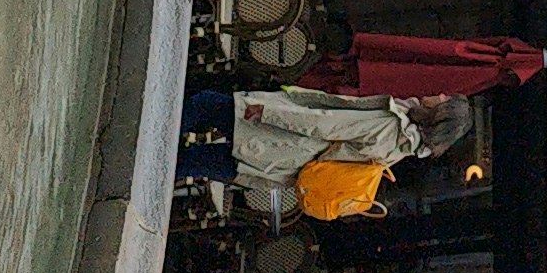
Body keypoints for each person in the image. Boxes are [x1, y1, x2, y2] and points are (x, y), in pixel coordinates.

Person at [173, 78, 471, 221]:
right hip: (278, 162)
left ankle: (152, 144)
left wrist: (268, 113)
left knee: (204, 106)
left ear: (440, 115)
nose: (439, 94)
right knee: (197, 161)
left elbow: (325, 124)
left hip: (276, 137)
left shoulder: (391, 127)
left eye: (445, 99)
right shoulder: (402, 148)